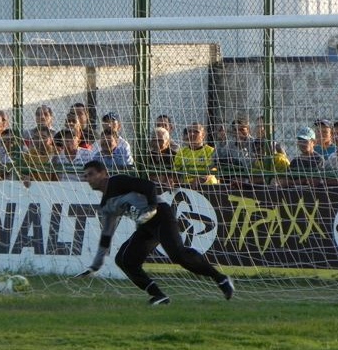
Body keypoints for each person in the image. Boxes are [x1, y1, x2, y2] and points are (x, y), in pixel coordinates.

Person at [74, 160, 234, 305]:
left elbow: (149, 186)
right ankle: (158, 296)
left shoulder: (117, 181)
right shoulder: (106, 205)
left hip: (161, 214)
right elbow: (106, 235)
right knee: (124, 260)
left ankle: (221, 279)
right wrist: (95, 265)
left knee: (178, 255)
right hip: (145, 225)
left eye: (91, 174)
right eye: (85, 176)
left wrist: (151, 208)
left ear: (103, 173)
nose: (88, 178)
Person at [173, 122, 218, 187]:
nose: (192, 134)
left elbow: (212, 169)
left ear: (203, 135)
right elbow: (176, 172)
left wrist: (201, 179)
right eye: (190, 131)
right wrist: (171, 180)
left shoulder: (211, 151)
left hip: (208, 186)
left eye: (196, 131)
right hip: (187, 186)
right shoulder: (181, 152)